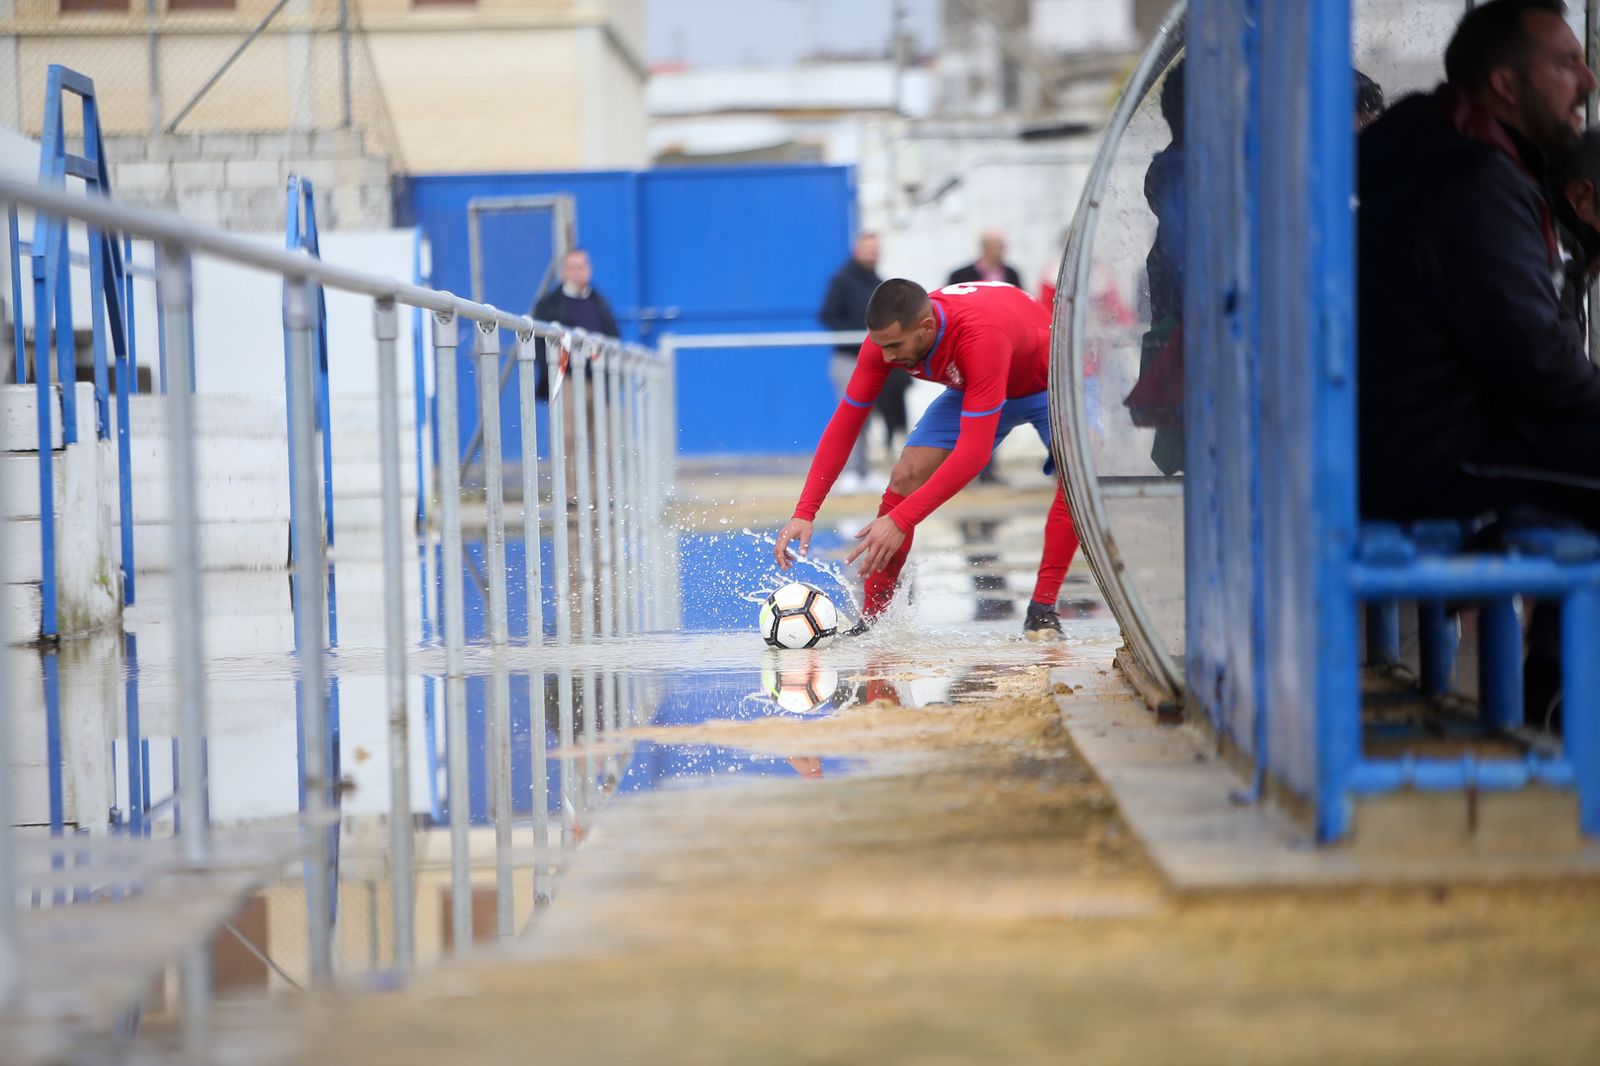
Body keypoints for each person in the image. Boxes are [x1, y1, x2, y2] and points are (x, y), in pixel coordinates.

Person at [1357, 0, 1599, 730]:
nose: (1586, 79)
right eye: (1566, 63)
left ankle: (1556, 693)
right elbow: (1536, 364)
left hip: (1431, 438)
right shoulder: (1472, 181)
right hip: (1435, 455)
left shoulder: (1467, 158)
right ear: (1505, 84)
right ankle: (1560, 704)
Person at [773, 278, 1081, 639]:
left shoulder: (980, 337)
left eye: (895, 346)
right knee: (906, 475)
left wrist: (900, 519)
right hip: (977, 385)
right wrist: (805, 511)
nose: (887, 358)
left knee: (1075, 480)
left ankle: (1042, 610)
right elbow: (845, 423)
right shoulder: (884, 342)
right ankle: (873, 622)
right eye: (881, 346)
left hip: (1050, 382)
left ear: (927, 327)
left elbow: (973, 455)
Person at [818, 233, 908, 492]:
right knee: (848, 417)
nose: (872, 253)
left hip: (873, 361)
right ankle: (848, 472)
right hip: (848, 358)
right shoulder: (841, 280)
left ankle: (863, 470)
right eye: (868, 248)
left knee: (867, 417)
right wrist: (859, 334)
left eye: (875, 249)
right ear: (857, 250)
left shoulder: (880, 284)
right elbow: (827, 315)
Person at [948, 230, 1024, 288]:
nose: (1001, 250)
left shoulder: (1011, 273)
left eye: (1002, 246)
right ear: (985, 247)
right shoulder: (960, 275)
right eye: (996, 246)